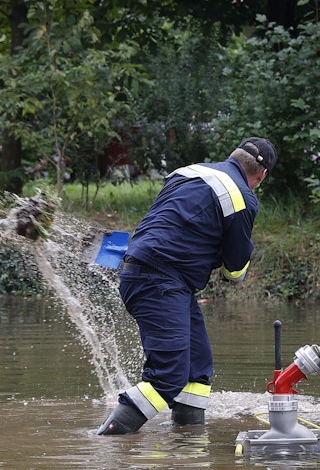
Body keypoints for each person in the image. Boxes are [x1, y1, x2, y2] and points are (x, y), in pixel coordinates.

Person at [97, 137, 277, 435]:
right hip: (161, 280)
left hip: (146, 271)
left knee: (197, 368)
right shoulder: (242, 197)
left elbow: (172, 223)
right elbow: (234, 271)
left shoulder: (189, 172)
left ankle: (188, 452)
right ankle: (106, 447)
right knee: (167, 376)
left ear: (233, 157)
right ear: (262, 174)